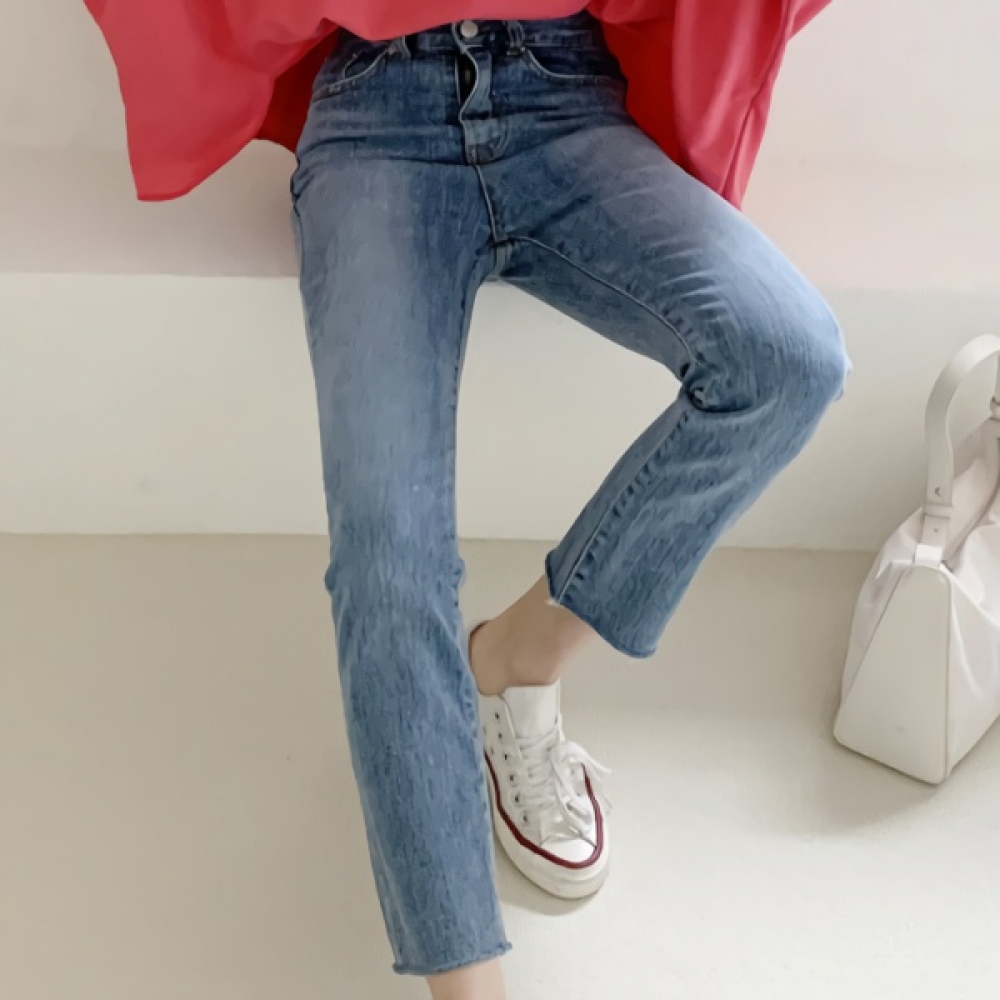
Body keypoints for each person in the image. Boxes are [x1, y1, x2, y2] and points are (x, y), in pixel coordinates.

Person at [86, 5, 848, 998]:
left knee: (787, 359)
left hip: (562, 92)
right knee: (388, 554)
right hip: (376, 113)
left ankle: (519, 656)